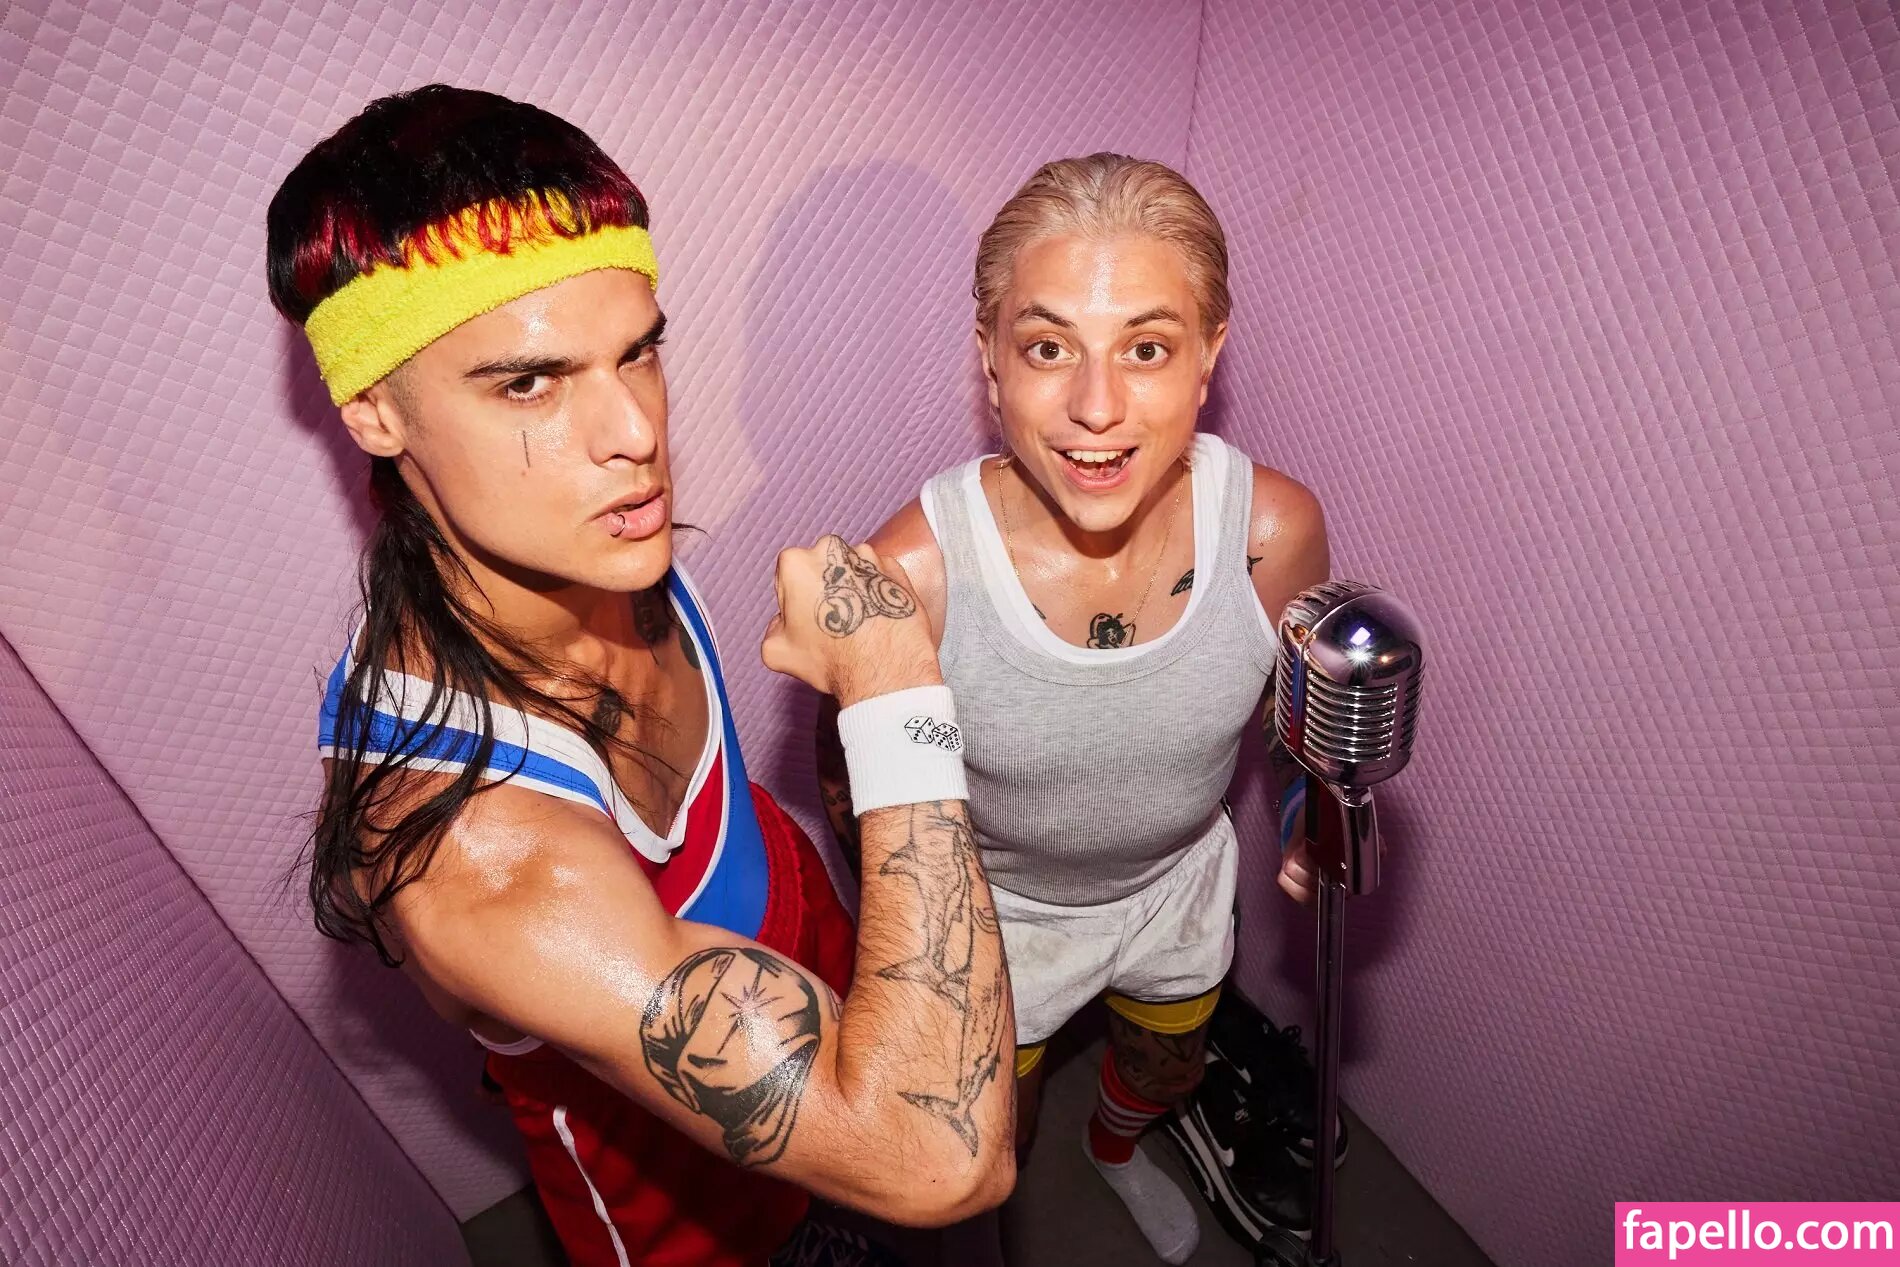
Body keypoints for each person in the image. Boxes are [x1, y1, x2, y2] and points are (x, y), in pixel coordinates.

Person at [269, 84, 1014, 1267]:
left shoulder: (588, 539)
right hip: (705, 1212)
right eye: (530, 382)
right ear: (373, 413)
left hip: (810, 949)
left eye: (640, 351)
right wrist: (893, 690)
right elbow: (941, 1156)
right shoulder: (475, 853)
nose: (634, 434)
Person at [818, 154, 1328, 1263]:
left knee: (1165, 1066)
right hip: (996, 915)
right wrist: (924, 949)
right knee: (994, 1136)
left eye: (1146, 348)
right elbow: (845, 782)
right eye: (1049, 348)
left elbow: (1296, 725)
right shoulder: (914, 570)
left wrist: (1305, 820)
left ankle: (1117, 1146)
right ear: (990, 360)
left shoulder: (1270, 532)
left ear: (1209, 358)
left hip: (1176, 884)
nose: (1097, 409)